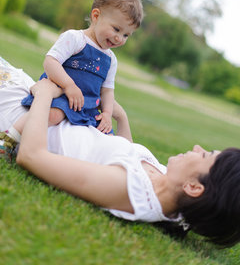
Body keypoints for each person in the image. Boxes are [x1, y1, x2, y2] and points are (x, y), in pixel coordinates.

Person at [0, 58, 240, 248]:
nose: (198, 148)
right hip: (41, 105)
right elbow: (125, 155)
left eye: (206, 156)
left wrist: (44, 94)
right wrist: (121, 118)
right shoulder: (170, 189)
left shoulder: (125, 188)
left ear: (194, 188)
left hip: (17, 112)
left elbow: (32, 156)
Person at [8, 0, 143, 148]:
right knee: (53, 115)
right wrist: (68, 85)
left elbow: (107, 90)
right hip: (61, 96)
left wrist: (107, 114)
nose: (119, 38)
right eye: (116, 29)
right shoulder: (75, 39)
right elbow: (51, 62)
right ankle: (9, 139)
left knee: (106, 136)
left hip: (86, 107)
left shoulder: (111, 59)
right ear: (96, 15)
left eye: (126, 35)